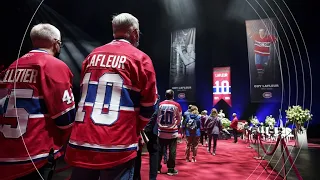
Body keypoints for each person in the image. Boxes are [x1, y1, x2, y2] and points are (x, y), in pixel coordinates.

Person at [65, 13, 158, 180]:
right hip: (117, 144)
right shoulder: (140, 59)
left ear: (114, 31)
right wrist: (135, 130)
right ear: (135, 33)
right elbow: (149, 106)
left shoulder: (91, 56)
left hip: (82, 140)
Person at [0, 23, 75, 180]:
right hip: (35, 152)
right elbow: (65, 119)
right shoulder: (54, 65)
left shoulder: (13, 66)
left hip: (7, 151)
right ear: (56, 43)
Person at [157, 89, 182, 176]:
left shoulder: (160, 104)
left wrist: (160, 125)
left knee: (159, 151)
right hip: (172, 133)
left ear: (165, 95)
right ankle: (170, 169)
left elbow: (156, 116)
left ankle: (157, 168)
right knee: (172, 152)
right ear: (173, 96)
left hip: (161, 132)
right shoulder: (177, 105)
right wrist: (174, 125)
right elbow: (179, 119)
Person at [136, 95, 160, 180]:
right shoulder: (154, 94)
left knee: (138, 154)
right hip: (148, 129)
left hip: (141, 127)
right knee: (152, 153)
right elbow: (155, 111)